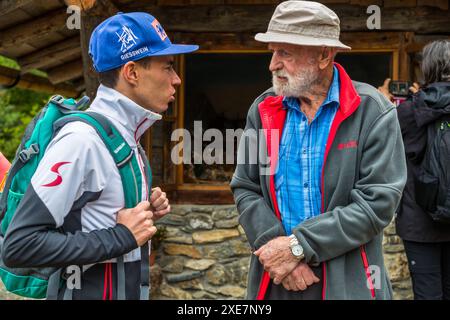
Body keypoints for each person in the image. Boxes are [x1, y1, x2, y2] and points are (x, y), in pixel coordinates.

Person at [2, 12, 198, 299]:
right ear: (131, 72)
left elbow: (96, 217)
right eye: (167, 67)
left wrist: (144, 210)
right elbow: (20, 245)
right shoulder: (82, 140)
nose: (177, 79)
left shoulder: (125, 137)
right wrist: (121, 236)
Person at [230, 1, 407, 300]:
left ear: (324, 54)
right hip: (276, 279)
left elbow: (377, 204)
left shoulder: (372, 111)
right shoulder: (262, 110)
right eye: (273, 51)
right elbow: (246, 188)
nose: (272, 64)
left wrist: (299, 246)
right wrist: (281, 252)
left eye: (284, 52)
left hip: (347, 282)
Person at [380, 40, 450, 300]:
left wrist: (383, 103)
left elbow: (383, 150)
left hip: (419, 222)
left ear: (427, 68)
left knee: (428, 293)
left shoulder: (408, 111)